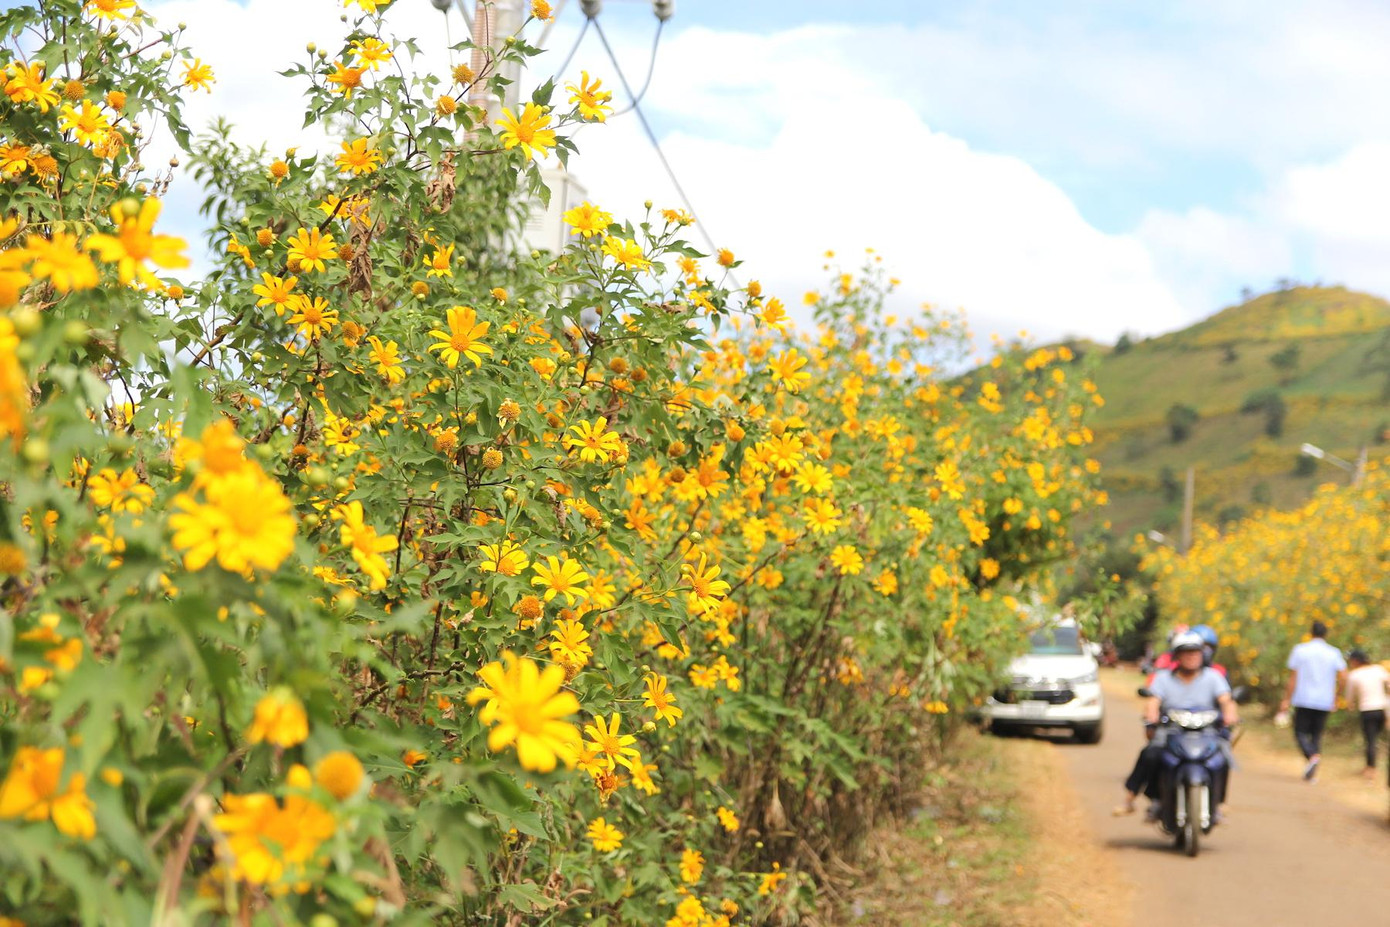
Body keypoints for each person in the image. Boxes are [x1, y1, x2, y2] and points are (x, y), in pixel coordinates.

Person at [1116, 632, 1239, 816]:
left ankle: (1218, 803)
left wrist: (1230, 717)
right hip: (1171, 731)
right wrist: (1151, 717)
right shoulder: (1164, 678)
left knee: (1222, 756)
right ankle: (1130, 799)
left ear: (1203, 655)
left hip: (1206, 731)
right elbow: (1153, 703)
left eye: (1195, 652)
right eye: (1186, 652)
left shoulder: (1213, 677)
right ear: (1177, 656)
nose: (1191, 656)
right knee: (1150, 754)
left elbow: (1226, 701)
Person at [1280, 620, 1347, 782]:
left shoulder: (1301, 650)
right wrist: (1336, 696)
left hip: (1303, 698)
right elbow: (1344, 676)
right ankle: (1313, 763)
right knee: (1316, 735)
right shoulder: (1334, 652)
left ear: (1311, 632)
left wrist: (1286, 699)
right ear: (1326, 634)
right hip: (1324, 700)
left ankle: (1311, 757)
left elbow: (1293, 678)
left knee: (1300, 732)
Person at [1344, 650, 1389, 780]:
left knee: (1370, 740)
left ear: (1356, 661)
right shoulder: (1378, 669)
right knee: (1376, 739)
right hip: (1382, 709)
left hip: (1367, 710)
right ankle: (1371, 766)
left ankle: (1371, 768)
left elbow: (1349, 697)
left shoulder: (1354, 675)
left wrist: (1350, 705)